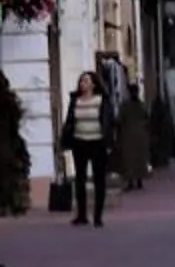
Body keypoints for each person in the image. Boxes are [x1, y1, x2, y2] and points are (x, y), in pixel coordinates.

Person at [59, 73, 113, 226]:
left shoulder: (102, 100)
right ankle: (82, 215)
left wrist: (108, 142)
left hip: (98, 143)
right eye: (81, 81)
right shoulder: (75, 100)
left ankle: (98, 216)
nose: (83, 83)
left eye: (86, 81)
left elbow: (108, 122)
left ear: (93, 84)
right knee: (80, 179)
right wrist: (65, 140)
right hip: (79, 142)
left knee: (99, 179)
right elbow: (70, 121)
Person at [115, 78, 152, 194]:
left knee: (129, 158)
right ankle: (139, 180)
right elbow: (147, 118)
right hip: (141, 135)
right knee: (139, 158)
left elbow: (119, 120)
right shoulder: (141, 105)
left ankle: (131, 181)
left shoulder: (125, 105)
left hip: (128, 135)